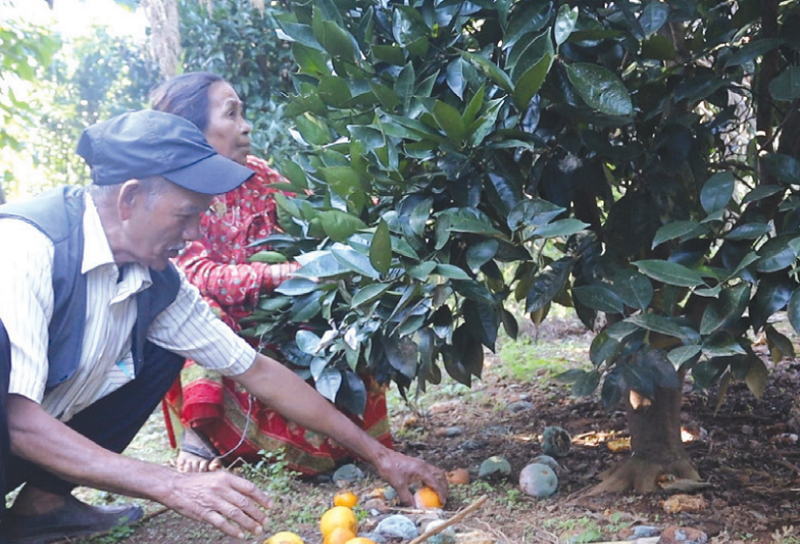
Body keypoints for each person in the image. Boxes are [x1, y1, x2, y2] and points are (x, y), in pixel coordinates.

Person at [0, 110, 448, 544]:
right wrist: (170, 484)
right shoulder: (27, 250)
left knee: (162, 351)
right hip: (14, 438)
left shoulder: (156, 280)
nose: (195, 234)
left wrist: (380, 455)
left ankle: (42, 508)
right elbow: (17, 422)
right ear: (129, 199)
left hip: (24, 447)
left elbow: (255, 370)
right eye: (185, 215)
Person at [150, 72, 394, 475]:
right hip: (221, 328)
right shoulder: (173, 192)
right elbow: (197, 275)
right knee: (198, 304)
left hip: (274, 320)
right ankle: (204, 429)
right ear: (192, 129)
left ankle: (346, 432)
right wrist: (288, 273)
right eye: (231, 114)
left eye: (242, 113)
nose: (246, 126)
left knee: (349, 311)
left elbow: (310, 212)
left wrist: (367, 201)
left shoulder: (258, 174)